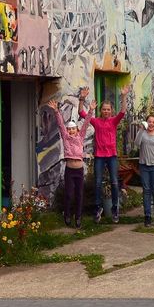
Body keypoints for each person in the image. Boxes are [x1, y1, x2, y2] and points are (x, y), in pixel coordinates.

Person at [47, 89, 91, 228]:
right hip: (69, 170)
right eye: (69, 129)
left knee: (79, 195)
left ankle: (78, 217)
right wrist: (56, 111)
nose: (71, 131)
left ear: (77, 130)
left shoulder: (80, 137)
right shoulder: (66, 138)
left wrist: (90, 111)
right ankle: (67, 214)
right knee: (69, 195)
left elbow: (85, 123)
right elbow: (60, 124)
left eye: (73, 129)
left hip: (79, 171)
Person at [88, 98, 126, 223]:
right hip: (99, 155)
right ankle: (98, 208)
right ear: (100, 110)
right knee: (98, 182)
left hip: (111, 156)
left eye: (108, 109)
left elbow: (123, 112)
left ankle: (115, 208)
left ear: (111, 111)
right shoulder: (96, 121)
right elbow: (81, 114)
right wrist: (85, 103)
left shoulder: (113, 121)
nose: (106, 111)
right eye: (104, 109)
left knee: (114, 182)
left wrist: (123, 96)